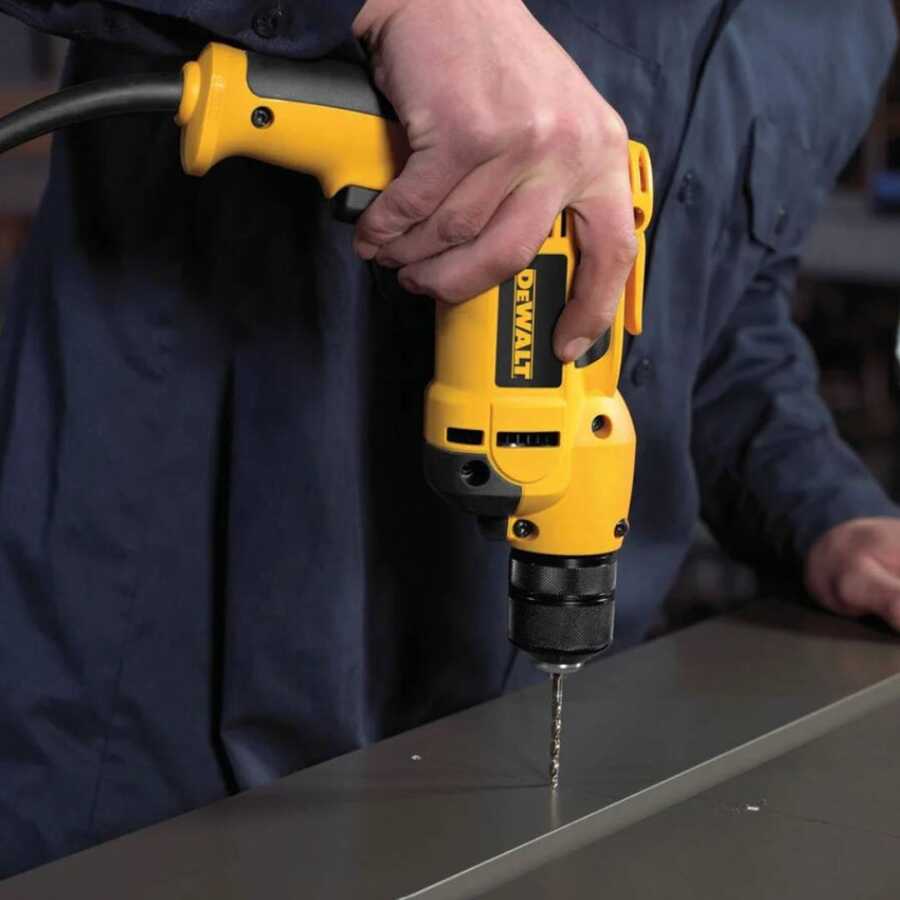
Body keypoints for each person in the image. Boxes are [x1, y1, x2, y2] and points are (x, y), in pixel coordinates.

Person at [0, 0, 897, 879]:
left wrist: (831, 512)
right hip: (163, 671)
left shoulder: (852, 30)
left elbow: (723, 323)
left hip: (526, 719)